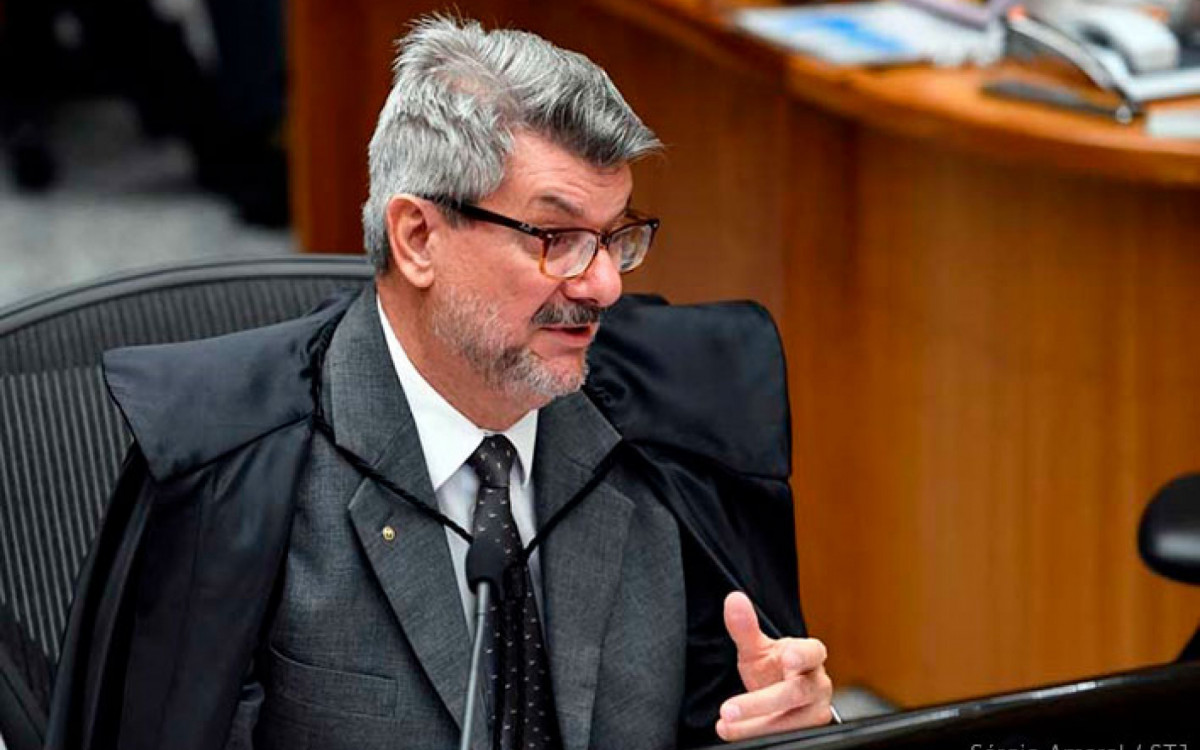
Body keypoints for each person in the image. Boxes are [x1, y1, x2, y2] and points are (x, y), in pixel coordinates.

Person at [46, 15, 833, 750]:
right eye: (558, 237)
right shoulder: (244, 473)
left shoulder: (670, 437)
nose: (603, 285)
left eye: (615, 236)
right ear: (418, 237)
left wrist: (794, 728)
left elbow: (732, 710)